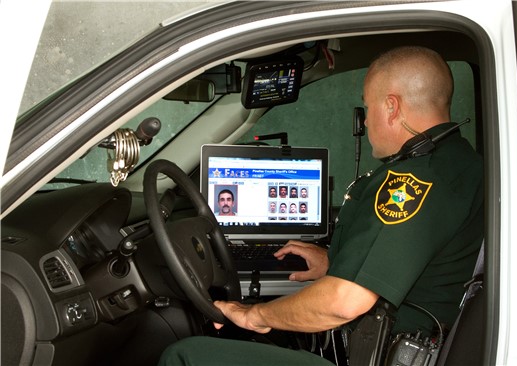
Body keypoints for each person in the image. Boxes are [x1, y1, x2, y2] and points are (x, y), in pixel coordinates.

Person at [158, 46, 484, 365]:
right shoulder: (464, 165)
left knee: (184, 354)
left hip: (383, 355)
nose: (366, 122)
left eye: (367, 108)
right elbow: (424, 260)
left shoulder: (411, 181)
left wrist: (253, 315)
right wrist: (334, 262)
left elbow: (345, 301)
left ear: (391, 107)